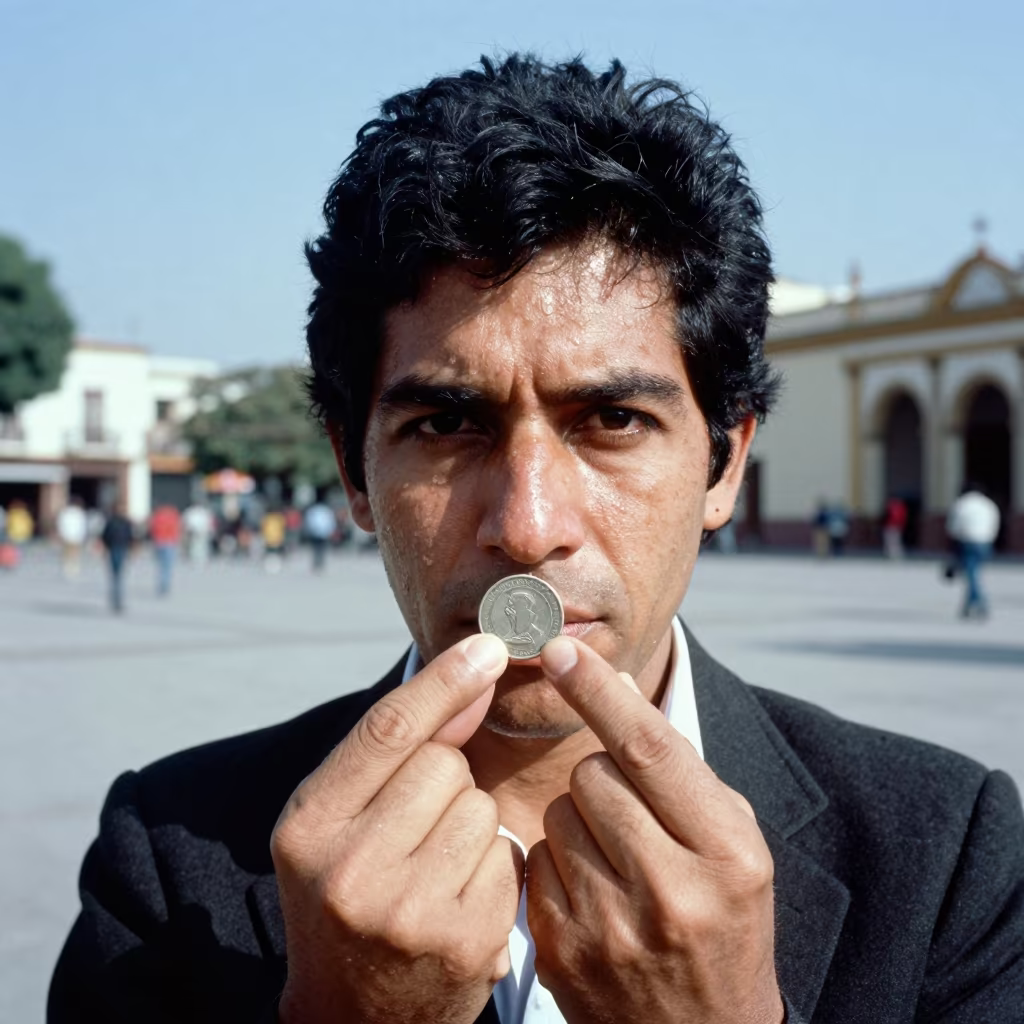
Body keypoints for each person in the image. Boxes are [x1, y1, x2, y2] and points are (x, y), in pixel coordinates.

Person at [50, 56, 1024, 1024]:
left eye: (611, 421)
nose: (526, 527)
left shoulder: (946, 854)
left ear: (724, 463)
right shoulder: (173, 855)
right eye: (445, 425)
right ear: (353, 470)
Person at [946, 482, 1000, 619]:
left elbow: (953, 525)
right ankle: (968, 606)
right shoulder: (988, 504)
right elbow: (995, 521)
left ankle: (980, 603)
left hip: (968, 541)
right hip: (985, 541)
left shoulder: (962, 504)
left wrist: (953, 538)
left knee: (971, 574)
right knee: (974, 573)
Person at [99, 506, 133, 613]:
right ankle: (117, 598)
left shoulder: (111, 522)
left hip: (115, 549)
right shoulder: (124, 522)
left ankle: (115, 597)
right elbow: (130, 536)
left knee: (115, 575)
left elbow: (104, 536)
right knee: (118, 575)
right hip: (120, 549)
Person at [149, 504, 182, 596]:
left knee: (162, 565)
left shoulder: (158, 517)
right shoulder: (173, 517)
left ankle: (162, 583)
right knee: (168, 565)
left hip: (159, 542)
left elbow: (153, 529)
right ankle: (165, 584)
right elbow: (177, 529)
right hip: (170, 542)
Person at [56, 497, 88, 579]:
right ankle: (73, 568)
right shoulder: (78, 513)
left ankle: (68, 568)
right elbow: (82, 525)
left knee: (67, 553)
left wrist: (62, 534)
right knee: (74, 553)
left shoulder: (66, 512)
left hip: (68, 535)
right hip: (75, 536)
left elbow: (61, 524)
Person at [303, 497, 335, 572]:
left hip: (315, 532)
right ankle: (320, 564)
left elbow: (309, 521)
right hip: (324, 532)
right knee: (322, 549)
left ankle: (316, 564)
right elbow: (331, 522)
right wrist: (331, 531)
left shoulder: (312, 510)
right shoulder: (327, 510)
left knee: (315, 549)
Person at [182, 500, 214, 565]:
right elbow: (186, 522)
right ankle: (195, 560)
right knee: (194, 547)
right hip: (194, 532)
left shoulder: (203, 512)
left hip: (202, 532)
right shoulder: (191, 512)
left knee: (202, 547)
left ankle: (202, 560)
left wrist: (209, 530)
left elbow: (208, 522)